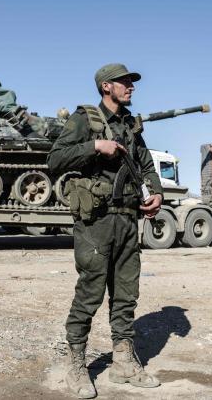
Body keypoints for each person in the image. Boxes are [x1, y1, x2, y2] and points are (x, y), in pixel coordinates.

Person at [47, 63, 163, 398]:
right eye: (125, 82)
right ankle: (77, 364)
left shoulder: (130, 125)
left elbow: (145, 165)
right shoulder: (84, 120)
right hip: (96, 221)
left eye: (131, 82)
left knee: (126, 295)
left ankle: (124, 363)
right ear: (106, 87)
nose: (132, 87)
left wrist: (155, 192)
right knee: (90, 293)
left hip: (128, 219)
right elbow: (55, 160)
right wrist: (95, 147)